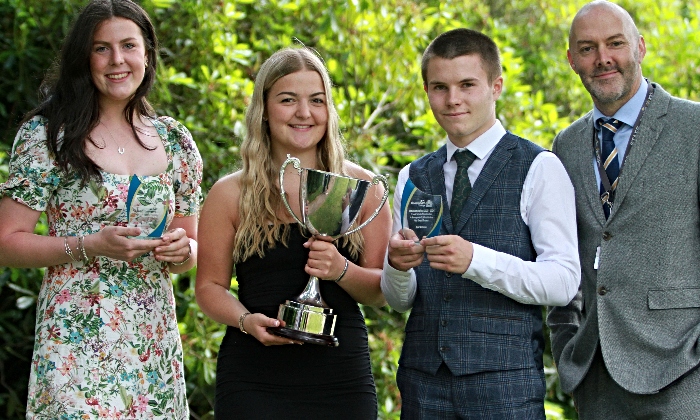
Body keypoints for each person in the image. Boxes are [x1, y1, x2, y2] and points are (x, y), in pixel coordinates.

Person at [0, 0, 202, 418]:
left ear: (147, 52)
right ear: (84, 58)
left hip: (151, 336)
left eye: (128, 45)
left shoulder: (175, 142)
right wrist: (88, 244)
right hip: (76, 334)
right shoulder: (49, 135)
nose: (117, 60)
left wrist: (182, 252)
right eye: (101, 48)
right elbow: (5, 243)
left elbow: (191, 252)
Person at [381, 28, 580, 419]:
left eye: (467, 84)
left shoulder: (539, 168)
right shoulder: (413, 176)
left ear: (496, 86)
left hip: (505, 387)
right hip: (423, 387)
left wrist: (476, 260)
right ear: (427, 91)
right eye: (440, 87)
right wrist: (397, 265)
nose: (453, 99)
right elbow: (398, 299)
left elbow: (562, 281)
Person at [194, 47, 391, 419]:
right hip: (252, 377)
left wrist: (340, 270)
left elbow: (382, 292)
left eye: (317, 101)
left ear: (328, 110)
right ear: (264, 110)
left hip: (341, 379)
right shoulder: (230, 194)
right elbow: (208, 288)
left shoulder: (361, 189)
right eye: (288, 100)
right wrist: (245, 321)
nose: (304, 113)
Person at [546, 1, 700, 418]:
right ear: (572, 59)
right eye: (588, 48)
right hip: (595, 374)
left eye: (615, 44)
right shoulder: (567, 145)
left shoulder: (694, 127)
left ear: (641, 47)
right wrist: (566, 343)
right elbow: (562, 250)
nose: (603, 59)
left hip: (684, 372)